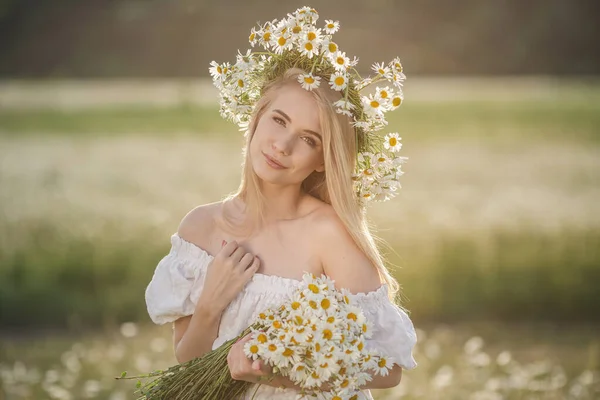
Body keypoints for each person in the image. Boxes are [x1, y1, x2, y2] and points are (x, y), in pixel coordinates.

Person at [145, 7, 417, 399]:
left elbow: (388, 368)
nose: (282, 146)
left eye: (308, 139)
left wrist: (280, 373)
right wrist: (209, 305)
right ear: (256, 118)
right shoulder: (200, 229)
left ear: (323, 159)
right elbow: (186, 363)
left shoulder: (328, 235)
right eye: (278, 120)